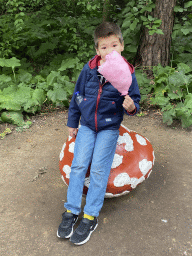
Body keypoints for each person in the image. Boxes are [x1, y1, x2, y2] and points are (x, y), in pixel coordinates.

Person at [57, 22, 141, 245]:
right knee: (78, 165)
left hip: (109, 127)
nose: (109, 51)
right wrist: (72, 122)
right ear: (97, 50)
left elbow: (135, 103)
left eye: (114, 45)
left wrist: (131, 106)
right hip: (86, 125)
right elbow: (77, 95)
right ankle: (72, 209)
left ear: (122, 46)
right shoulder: (89, 69)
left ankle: (90, 215)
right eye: (104, 47)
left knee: (98, 170)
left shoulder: (128, 73)